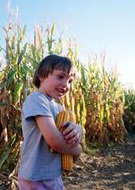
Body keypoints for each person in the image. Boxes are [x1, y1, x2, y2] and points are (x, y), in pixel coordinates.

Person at [18, 54, 83, 190]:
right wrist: (78, 149)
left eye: (70, 81)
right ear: (42, 76)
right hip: (35, 178)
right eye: (60, 76)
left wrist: (77, 130)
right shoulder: (36, 99)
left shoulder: (60, 108)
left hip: (53, 176)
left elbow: (68, 139)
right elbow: (54, 141)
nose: (66, 85)